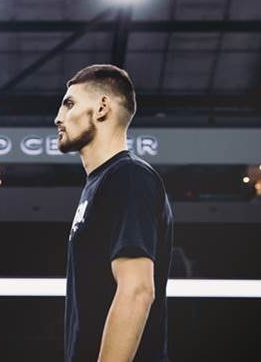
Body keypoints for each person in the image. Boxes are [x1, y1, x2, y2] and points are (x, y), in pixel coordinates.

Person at [54, 64, 173, 362]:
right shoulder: (102, 183)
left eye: (69, 104)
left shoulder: (128, 177)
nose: (58, 118)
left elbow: (137, 291)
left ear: (102, 107)